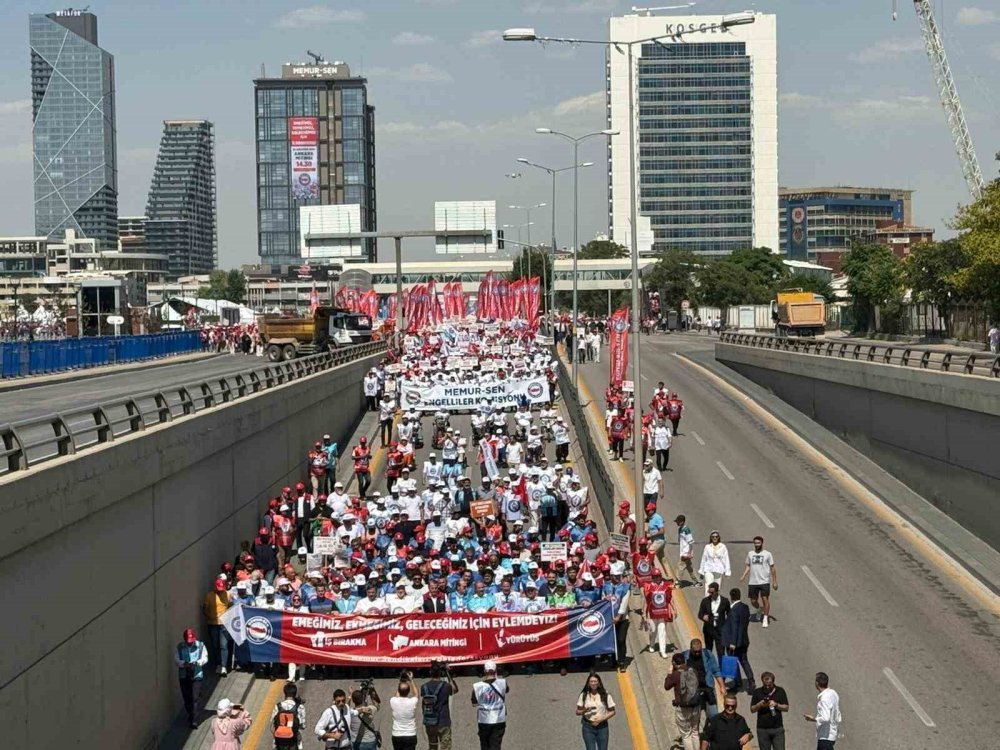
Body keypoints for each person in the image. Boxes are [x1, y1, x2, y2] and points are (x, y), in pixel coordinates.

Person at [664, 653, 701, 750]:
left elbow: (667, 686)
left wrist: (669, 673)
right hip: (696, 705)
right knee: (695, 732)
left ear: (674, 663)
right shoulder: (693, 670)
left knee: (686, 735)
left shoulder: (676, 674)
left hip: (683, 707)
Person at [471, 660, 509, 750]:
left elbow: (474, 703)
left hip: (484, 720)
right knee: (496, 744)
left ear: (484, 671)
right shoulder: (502, 683)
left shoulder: (477, 686)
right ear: (496, 671)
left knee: (484, 745)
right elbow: (506, 690)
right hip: (499, 719)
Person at [721, 588, 754, 693]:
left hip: (734, 642)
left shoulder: (733, 610)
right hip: (744, 640)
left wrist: (733, 643)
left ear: (731, 597)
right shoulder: (745, 607)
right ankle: (751, 680)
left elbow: (735, 626)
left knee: (732, 662)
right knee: (744, 661)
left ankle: (738, 682)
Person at [740, 536, 777, 628]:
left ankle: (765, 618)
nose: (757, 545)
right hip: (753, 581)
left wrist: (774, 581)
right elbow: (748, 566)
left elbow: (772, 568)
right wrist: (744, 575)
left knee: (765, 599)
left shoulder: (767, 554)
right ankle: (760, 609)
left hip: (764, 581)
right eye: (755, 543)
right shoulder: (750, 554)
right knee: (753, 601)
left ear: (762, 543)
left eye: (758, 543)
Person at [175, 627, 209, 728]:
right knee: (187, 697)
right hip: (184, 676)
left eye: (191, 641)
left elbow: (205, 658)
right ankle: (190, 714)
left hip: (196, 675)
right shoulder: (180, 647)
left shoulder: (201, 646)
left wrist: (197, 663)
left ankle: (194, 719)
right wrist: (183, 664)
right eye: (188, 641)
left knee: (195, 698)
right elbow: (176, 659)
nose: (190, 643)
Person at [421, 662, 458, 750]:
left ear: (430, 672)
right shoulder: (446, 686)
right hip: (443, 721)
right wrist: (448, 673)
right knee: (445, 746)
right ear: (440, 673)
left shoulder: (424, 687)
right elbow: (455, 689)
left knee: (432, 746)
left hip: (430, 721)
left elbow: (423, 704)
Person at [575, 672, 616, 750]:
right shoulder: (584, 695)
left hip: (602, 727)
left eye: (595, 681)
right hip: (588, 727)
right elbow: (577, 712)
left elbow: (613, 711)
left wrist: (600, 720)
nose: (593, 683)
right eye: (591, 681)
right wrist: (585, 710)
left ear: (599, 683)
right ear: (588, 683)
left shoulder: (605, 695)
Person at [640, 567, 675, 658]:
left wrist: (674, 609)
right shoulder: (648, 586)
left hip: (663, 612)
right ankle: (652, 644)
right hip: (652, 613)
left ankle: (662, 650)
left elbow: (670, 599)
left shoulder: (667, 586)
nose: (657, 578)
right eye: (655, 577)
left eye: (658, 576)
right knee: (653, 630)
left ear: (661, 576)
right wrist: (644, 613)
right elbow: (646, 601)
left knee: (662, 630)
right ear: (652, 577)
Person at [750, 671, 789, 750]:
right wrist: (760, 705)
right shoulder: (757, 692)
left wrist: (776, 705)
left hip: (777, 729)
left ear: (773, 682)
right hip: (762, 729)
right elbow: (752, 709)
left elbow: (786, 707)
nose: (767, 687)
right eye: (765, 685)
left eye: (769, 685)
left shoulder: (780, 691)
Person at [804, 672, 841, 750]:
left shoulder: (824, 699)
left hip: (825, 736)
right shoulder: (833, 693)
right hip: (832, 733)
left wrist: (813, 719)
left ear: (817, 683)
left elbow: (825, 718)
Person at [698, 582, 731, 660]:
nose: (710, 594)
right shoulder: (705, 601)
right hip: (708, 630)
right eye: (709, 592)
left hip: (720, 631)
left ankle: (721, 669)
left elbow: (729, 614)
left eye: (712, 592)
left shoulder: (725, 601)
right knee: (708, 651)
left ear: (717, 591)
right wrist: (703, 617)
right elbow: (700, 614)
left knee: (721, 652)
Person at [271, 682, 306, 750]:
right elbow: (302, 725)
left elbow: (272, 722)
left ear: (285, 693)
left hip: (279, 740)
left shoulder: (278, 706)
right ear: (295, 694)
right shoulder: (300, 707)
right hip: (293, 740)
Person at [390, 671, 419, 750]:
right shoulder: (412, 702)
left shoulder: (393, 701)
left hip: (397, 734)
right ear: (408, 691)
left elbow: (397, 695)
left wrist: (401, 681)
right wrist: (411, 680)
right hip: (410, 734)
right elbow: (416, 694)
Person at [699, 530, 730, 596]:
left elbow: (726, 559)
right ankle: (707, 601)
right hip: (708, 569)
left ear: (718, 537)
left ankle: (714, 602)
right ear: (711, 538)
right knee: (708, 585)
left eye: (716, 536)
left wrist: (727, 571)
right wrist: (701, 570)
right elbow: (704, 559)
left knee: (716, 588)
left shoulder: (723, 547)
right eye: (713, 537)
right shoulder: (707, 547)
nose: (715, 538)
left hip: (718, 570)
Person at [350, 686, 382, 750]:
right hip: (369, 740)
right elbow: (377, 705)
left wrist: (350, 696)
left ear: (353, 700)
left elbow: (345, 707)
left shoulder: (350, 712)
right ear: (362, 699)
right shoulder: (369, 709)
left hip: (355, 741)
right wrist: (371, 694)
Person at [675, 515, 697, 582]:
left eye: (678, 521)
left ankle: (678, 582)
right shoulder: (680, 529)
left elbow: (690, 542)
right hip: (683, 552)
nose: (677, 523)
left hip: (686, 553)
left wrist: (689, 553)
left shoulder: (686, 530)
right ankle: (697, 581)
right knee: (690, 568)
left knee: (680, 567)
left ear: (682, 522)